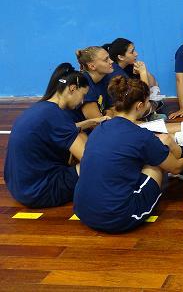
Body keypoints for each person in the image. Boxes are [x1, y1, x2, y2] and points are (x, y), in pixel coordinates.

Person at [74, 76, 183, 233]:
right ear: (140, 105)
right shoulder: (141, 136)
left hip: (83, 210)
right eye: (148, 102)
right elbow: (175, 168)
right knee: (155, 164)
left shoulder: (100, 128)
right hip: (118, 217)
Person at [4, 63, 106, 208]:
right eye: (83, 95)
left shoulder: (41, 108)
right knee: (100, 164)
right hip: (41, 192)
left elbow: (61, 128)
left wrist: (91, 122)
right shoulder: (56, 115)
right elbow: (90, 158)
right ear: (72, 88)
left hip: (19, 187)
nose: (82, 102)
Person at [76, 46, 115, 119]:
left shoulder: (105, 78)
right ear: (92, 66)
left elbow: (114, 109)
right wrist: (108, 114)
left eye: (109, 58)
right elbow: (97, 124)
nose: (111, 61)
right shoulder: (84, 84)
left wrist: (109, 113)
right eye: (106, 60)